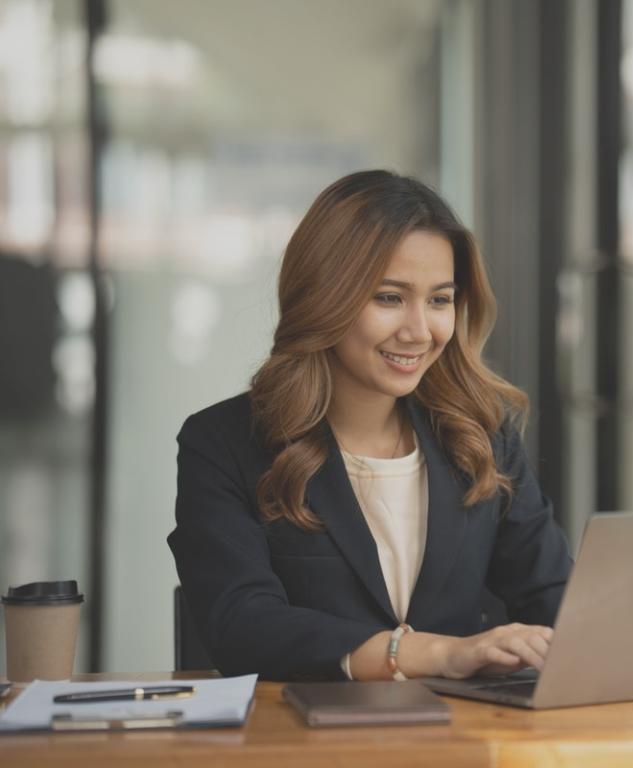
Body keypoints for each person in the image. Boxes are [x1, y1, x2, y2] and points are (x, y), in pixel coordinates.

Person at [168, 170, 572, 681]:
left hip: (463, 740)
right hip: (298, 743)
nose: (419, 331)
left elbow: (557, 601)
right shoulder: (223, 443)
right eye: (389, 297)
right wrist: (433, 654)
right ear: (324, 296)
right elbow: (241, 625)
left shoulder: (482, 436)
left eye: (439, 299)